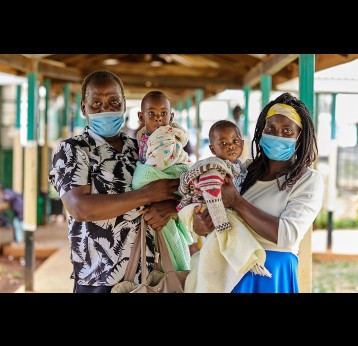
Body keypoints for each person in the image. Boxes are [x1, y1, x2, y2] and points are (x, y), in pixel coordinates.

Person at [48, 71, 179, 293]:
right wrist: (147, 195)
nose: (105, 109)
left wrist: (170, 208)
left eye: (113, 101)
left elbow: (175, 188)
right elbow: (80, 208)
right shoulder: (73, 149)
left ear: (124, 104)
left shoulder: (142, 148)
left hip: (148, 276)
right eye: (96, 103)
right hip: (99, 278)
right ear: (83, 108)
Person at [192, 92, 324, 293]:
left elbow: (287, 235)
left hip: (270, 274)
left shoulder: (307, 180)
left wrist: (237, 202)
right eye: (270, 128)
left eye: (287, 130)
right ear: (261, 131)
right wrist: (200, 226)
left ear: (300, 137)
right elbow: (217, 214)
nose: (277, 135)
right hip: (229, 271)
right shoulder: (243, 171)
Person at [177, 120, 271, 292]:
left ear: (242, 143)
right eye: (223, 143)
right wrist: (222, 224)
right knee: (214, 272)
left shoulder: (244, 168)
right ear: (213, 149)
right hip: (219, 223)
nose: (231, 146)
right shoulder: (214, 169)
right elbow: (211, 196)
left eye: (235, 141)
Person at [131, 90, 193, 271]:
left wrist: (142, 181)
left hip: (171, 177)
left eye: (163, 114)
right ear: (141, 116)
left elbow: (156, 165)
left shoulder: (165, 135)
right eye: (152, 114)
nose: (158, 118)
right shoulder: (143, 136)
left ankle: (178, 268)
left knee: (171, 239)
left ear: (171, 116)